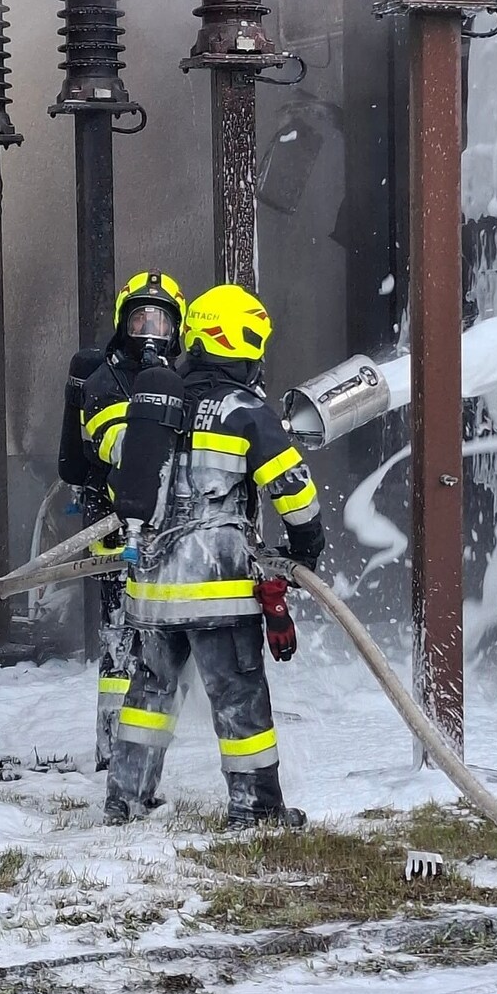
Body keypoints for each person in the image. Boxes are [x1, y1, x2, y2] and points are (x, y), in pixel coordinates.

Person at [103, 283, 325, 827]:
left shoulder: (153, 403)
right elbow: (293, 492)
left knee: (148, 696)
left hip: (151, 592)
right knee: (238, 697)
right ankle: (255, 811)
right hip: (217, 594)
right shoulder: (246, 410)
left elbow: (123, 478)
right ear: (242, 343)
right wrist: (304, 550)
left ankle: (124, 802)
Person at [58, 270, 187, 775]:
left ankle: (148, 738)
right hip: (111, 519)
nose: (151, 332)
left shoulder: (179, 378)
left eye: (161, 320)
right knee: (120, 628)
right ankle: (112, 746)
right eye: (140, 320)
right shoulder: (102, 381)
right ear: (122, 325)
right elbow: (118, 450)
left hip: (161, 518)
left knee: (158, 626)